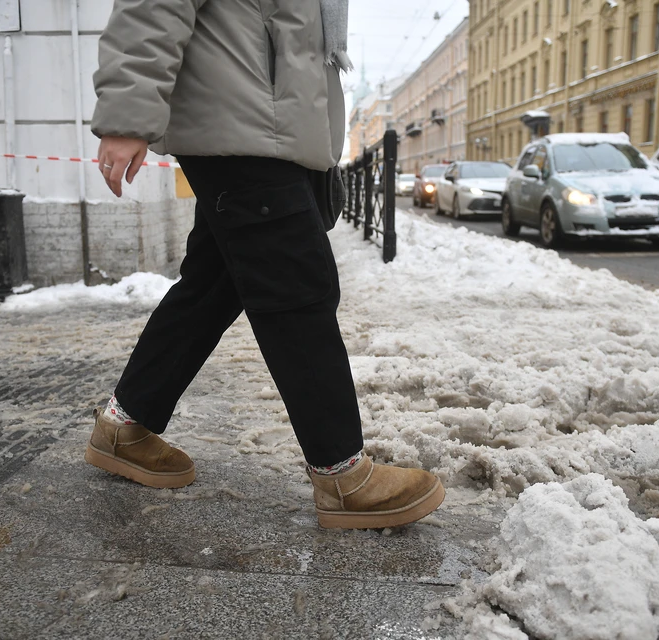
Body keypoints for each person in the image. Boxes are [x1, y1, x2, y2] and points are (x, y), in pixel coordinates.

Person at [84, 0, 444, 529]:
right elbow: (153, 6)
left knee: (213, 284)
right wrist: (127, 115)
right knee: (298, 286)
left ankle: (124, 425)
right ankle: (342, 474)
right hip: (239, 116)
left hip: (264, 119)